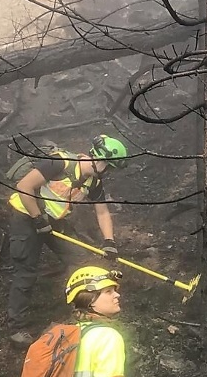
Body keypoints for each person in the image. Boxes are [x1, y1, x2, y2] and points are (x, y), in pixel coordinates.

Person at [7, 135, 128, 348]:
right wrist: (37, 218)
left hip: (53, 222)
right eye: (109, 167)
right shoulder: (60, 162)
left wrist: (109, 241)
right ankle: (16, 329)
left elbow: (102, 212)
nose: (109, 172)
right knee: (25, 271)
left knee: (79, 259)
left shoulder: (93, 182)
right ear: (99, 160)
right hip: (26, 216)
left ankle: (82, 309)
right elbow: (24, 185)